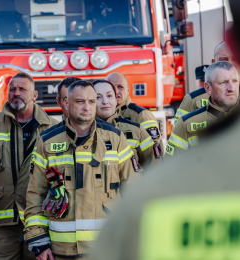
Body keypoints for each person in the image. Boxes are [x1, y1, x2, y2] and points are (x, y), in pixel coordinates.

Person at [87, 1, 240, 259]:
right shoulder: (191, 114)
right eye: (224, 80)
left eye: (233, 81)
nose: (230, 86)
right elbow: (173, 151)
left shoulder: (148, 201)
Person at [23, 80, 137, 260]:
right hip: (61, 251)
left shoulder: (115, 139)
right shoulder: (47, 142)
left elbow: (133, 190)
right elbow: (35, 195)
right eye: (80, 101)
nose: (87, 107)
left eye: (92, 101)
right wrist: (40, 242)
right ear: (66, 103)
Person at [0, 72, 58, 260]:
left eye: (22, 89)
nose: (16, 93)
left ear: (34, 95)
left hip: (40, 222)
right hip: (1, 224)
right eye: (12, 89)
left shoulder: (53, 129)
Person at [166, 61, 239, 157]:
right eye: (223, 82)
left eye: (235, 81)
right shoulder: (185, 124)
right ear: (208, 88)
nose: (232, 88)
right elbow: (172, 166)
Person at [92, 79, 154, 168]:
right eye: (98, 97)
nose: (105, 101)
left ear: (115, 99)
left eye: (109, 95)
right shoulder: (82, 132)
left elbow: (154, 167)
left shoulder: (136, 131)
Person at [174, 41, 238, 123]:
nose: (230, 64)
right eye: (223, 60)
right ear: (213, 63)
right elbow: (179, 131)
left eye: (235, 59)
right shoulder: (191, 100)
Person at [106, 72, 163, 160]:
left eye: (120, 87)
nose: (116, 91)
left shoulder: (142, 115)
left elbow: (155, 156)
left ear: (128, 90)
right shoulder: (100, 115)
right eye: (111, 87)